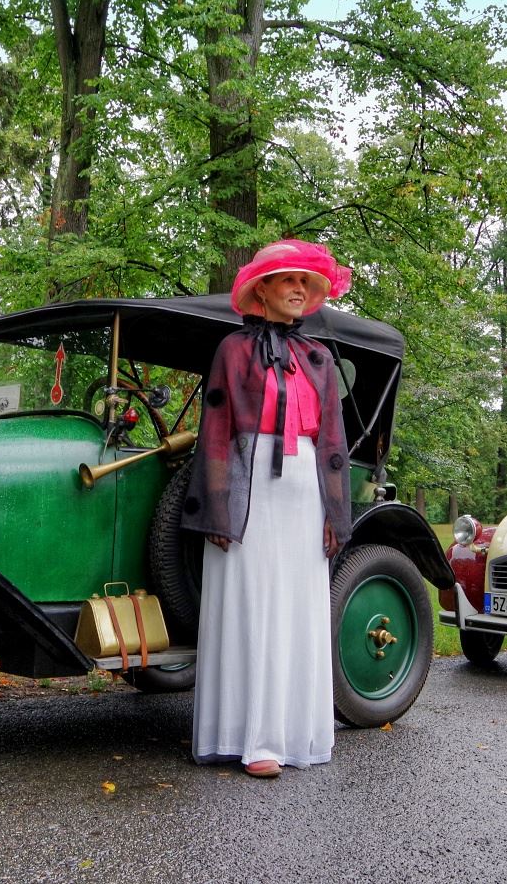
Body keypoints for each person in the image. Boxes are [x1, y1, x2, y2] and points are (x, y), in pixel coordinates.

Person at [181, 238, 353, 778]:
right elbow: (216, 430)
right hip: (247, 488)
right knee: (252, 603)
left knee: (297, 607)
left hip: (304, 491)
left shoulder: (320, 358)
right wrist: (217, 507)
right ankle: (252, 738)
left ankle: (296, 731)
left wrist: (335, 512)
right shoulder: (232, 351)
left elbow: (332, 441)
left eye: (306, 282)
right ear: (263, 289)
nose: (299, 290)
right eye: (288, 281)